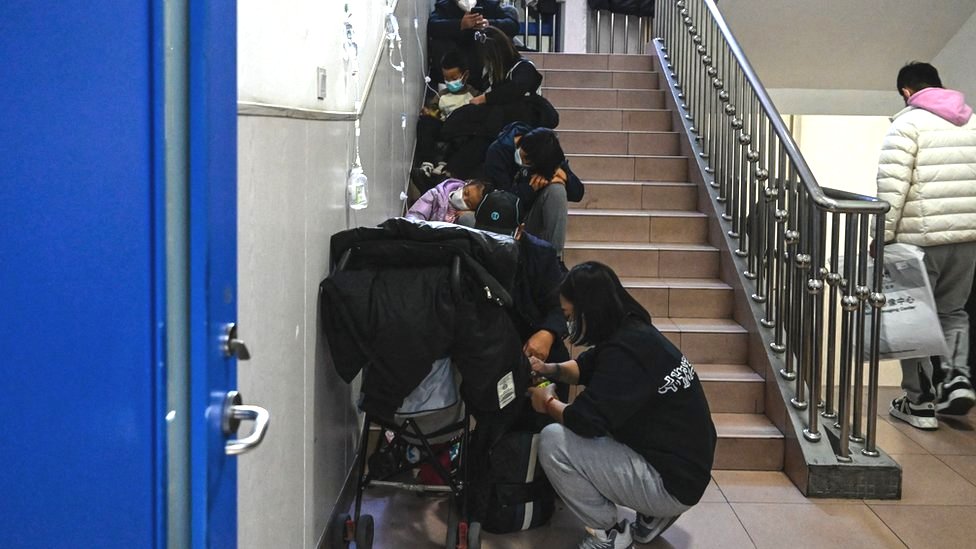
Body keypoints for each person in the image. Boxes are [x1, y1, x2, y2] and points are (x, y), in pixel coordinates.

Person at [525, 261, 716, 549]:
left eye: (569, 315)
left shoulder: (625, 354)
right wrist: (549, 369)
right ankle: (654, 515)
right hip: (686, 468)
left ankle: (610, 534)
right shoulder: (633, 331)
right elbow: (585, 367)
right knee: (612, 422)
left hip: (672, 482)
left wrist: (548, 402)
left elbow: (584, 421)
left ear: (588, 309)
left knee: (554, 442)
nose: (569, 324)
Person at [876, 61, 976, 430]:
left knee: (911, 318)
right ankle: (958, 378)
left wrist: (881, 236)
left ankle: (919, 403)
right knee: (953, 312)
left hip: (919, 240)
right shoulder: (971, 121)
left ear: (907, 91)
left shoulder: (907, 124)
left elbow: (892, 187)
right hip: (967, 240)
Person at [473, 190, 570, 371]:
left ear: (520, 231)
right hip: (486, 342)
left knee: (555, 358)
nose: (493, 245)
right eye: (486, 236)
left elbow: (558, 305)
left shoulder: (540, 255)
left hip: (530, 336)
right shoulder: (466, 249)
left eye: (501, 238)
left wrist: (547, 333)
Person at [483, 122, 584, 255]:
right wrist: (530, 188)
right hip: (504, 222)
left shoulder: (547, 152)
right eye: (524, 157)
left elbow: (578, 193)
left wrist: (565, 177)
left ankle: (554, 258)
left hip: (533, 219)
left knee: (556, 189)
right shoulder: (498, 151)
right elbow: (502, 203)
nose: (524, 163)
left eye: (529, 163)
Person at [415, 51, 480, 179]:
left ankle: (446, 165)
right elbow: (433, 111)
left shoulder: (474, 94)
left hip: (461, 131)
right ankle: (427, 163)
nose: (450, 82)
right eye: (447, 79)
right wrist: (430, 113)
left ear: (465, 75)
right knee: (425, 122)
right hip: (444, 126)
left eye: (454, 78)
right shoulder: (442, 95)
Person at [427, 0, 518, 90]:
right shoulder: (445, 6)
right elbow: (433, 26)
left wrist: (489, 24)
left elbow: (512, 25)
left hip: (484, 58)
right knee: (439, 40)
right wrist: (460, 24)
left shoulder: (489, 4)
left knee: (496, 37)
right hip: (458, 58)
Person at [406, 178, 488, 226]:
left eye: (468, 204)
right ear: (466, 184)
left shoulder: (462, 217)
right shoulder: (437, 194)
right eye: (466, 193)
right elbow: (416, 214)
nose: (462, 198)